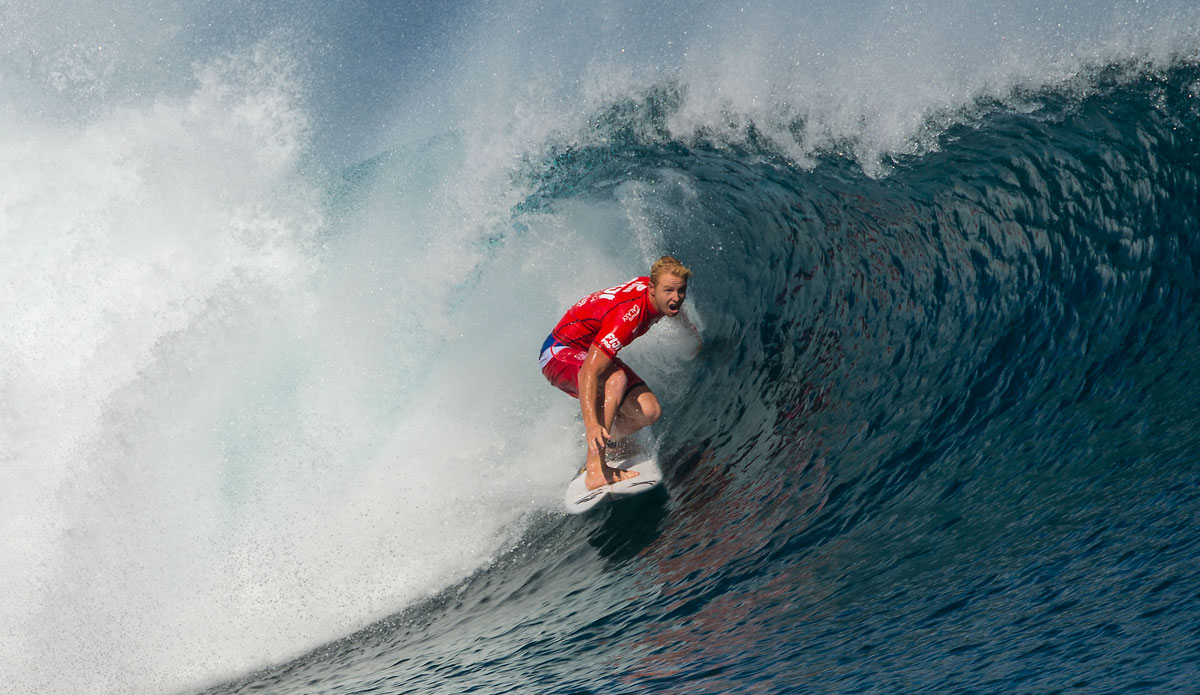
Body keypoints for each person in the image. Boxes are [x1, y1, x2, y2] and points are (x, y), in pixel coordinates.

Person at [539, 255, 695, 490]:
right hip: (558, 353)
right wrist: (592, 425)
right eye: (669, 291)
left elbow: (674, 305)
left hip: (587, 351)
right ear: (652, 288)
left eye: (681, 291)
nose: (676, 298)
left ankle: (611, 444)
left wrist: (691, 333)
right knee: (615, 377)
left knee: (649, 412)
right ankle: (595, 468)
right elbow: (588, 372)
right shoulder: (626, 318)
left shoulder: (659, 293)